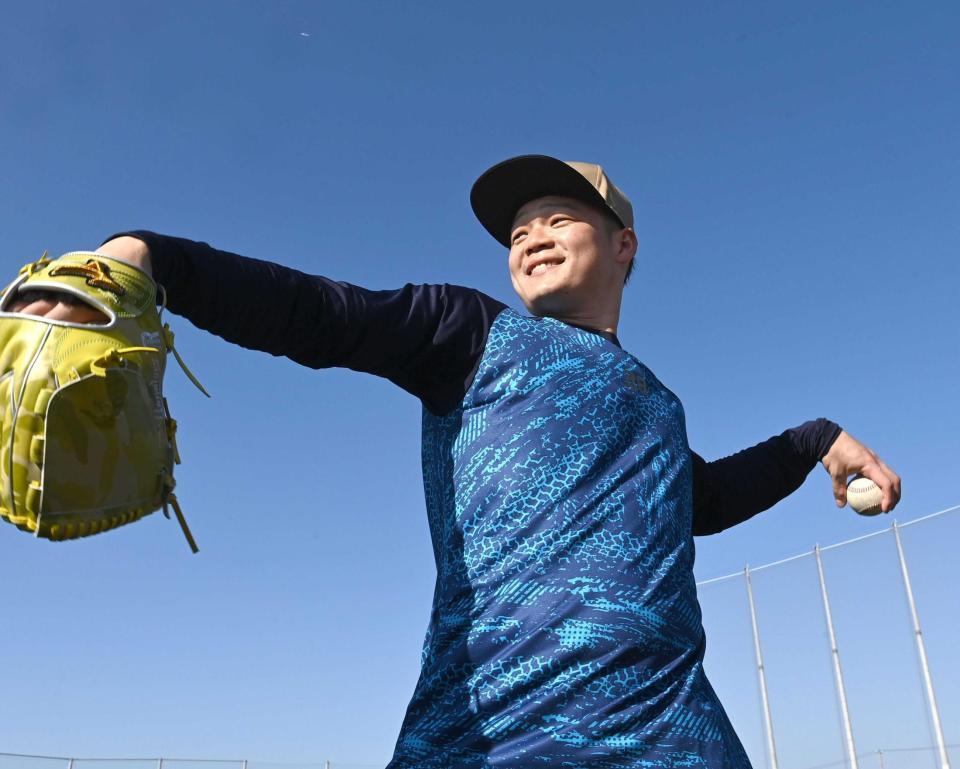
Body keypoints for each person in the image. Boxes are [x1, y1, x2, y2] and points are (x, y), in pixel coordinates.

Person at [10, 155, 900, 767]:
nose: (531, 234)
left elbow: (701, 500)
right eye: (518, 229)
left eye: (559, 217)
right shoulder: (472, 334)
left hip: (666, 733)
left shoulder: (658, 406)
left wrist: (814, 437)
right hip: (488, 733)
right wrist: (156, 260)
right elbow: (326, 315)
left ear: (623, 243)